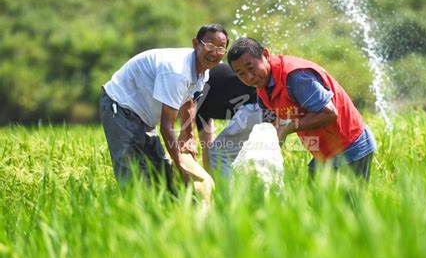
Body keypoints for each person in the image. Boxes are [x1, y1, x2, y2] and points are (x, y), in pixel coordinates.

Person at [227, 37, 376, 180]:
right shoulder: (262, 86)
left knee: (348, 205)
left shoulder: (296, 77)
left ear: (265, 55)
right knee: (313, 203)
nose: (249, 77)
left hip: (351, 145)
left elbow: (329, 113)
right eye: (241, 74)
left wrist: (289, 127)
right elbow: (273, 127)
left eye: (251, 68)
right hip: (325, 151)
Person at [99, 24, 228, 187]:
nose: (214, 52)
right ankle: (133, 211)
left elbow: (189, 102)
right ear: (196, 44)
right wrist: (180, 164)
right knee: (133, 176)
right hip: (120, 107)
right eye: (210, 45)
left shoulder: (203, 70)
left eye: (221, 48)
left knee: (163, 175)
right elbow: (166, 127)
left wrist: (188, 136)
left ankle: (170, 210)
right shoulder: (177, 71)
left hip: (144, 118)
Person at [194, 63, 264, 178]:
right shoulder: (201, 93)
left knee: (220, 154)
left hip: (256, 105)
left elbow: (207, 149)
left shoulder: (194, 92)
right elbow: (206, 143)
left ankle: (225, 195)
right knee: (250, 157)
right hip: (266, 105)